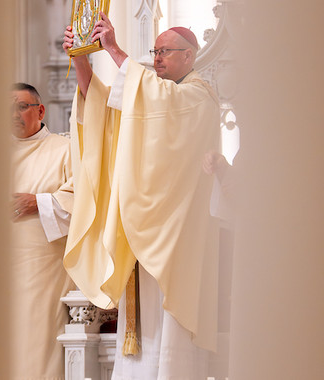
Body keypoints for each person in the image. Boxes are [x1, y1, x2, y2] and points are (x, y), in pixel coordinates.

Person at [61, 12, 221, 380]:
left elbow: (155, 100)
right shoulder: (151, 96)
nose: (158, 57)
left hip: (177, 237)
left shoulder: (199, 96)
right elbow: (104, 109)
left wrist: (113, 49)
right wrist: (82, 58)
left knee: (169, 334)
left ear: (190, 55)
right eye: (155, 50)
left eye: (166, 50)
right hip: (145, 228)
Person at [9, 82, 77, 380]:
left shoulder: (65, 149)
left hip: (44, 267)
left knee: (35, 342)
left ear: (40, 110)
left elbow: (85, 201)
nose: (14, 113)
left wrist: (38, 202)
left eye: (22, 106)